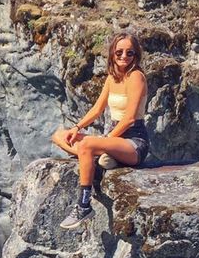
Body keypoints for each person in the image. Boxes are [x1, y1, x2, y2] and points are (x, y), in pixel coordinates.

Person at [50, 33, 150, 229]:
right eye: (119, 52)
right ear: (112, 53)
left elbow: (130, 118)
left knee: (87, 145)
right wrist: (77, 127)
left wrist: (106, 140)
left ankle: (84, 205)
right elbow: (97, 109)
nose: (124, 56)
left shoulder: (136, 77)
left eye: (129, 53)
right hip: (113, 139)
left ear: (136, 55)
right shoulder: (112, 78)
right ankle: (102, 157)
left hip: (133, 142)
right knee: (59, 135)